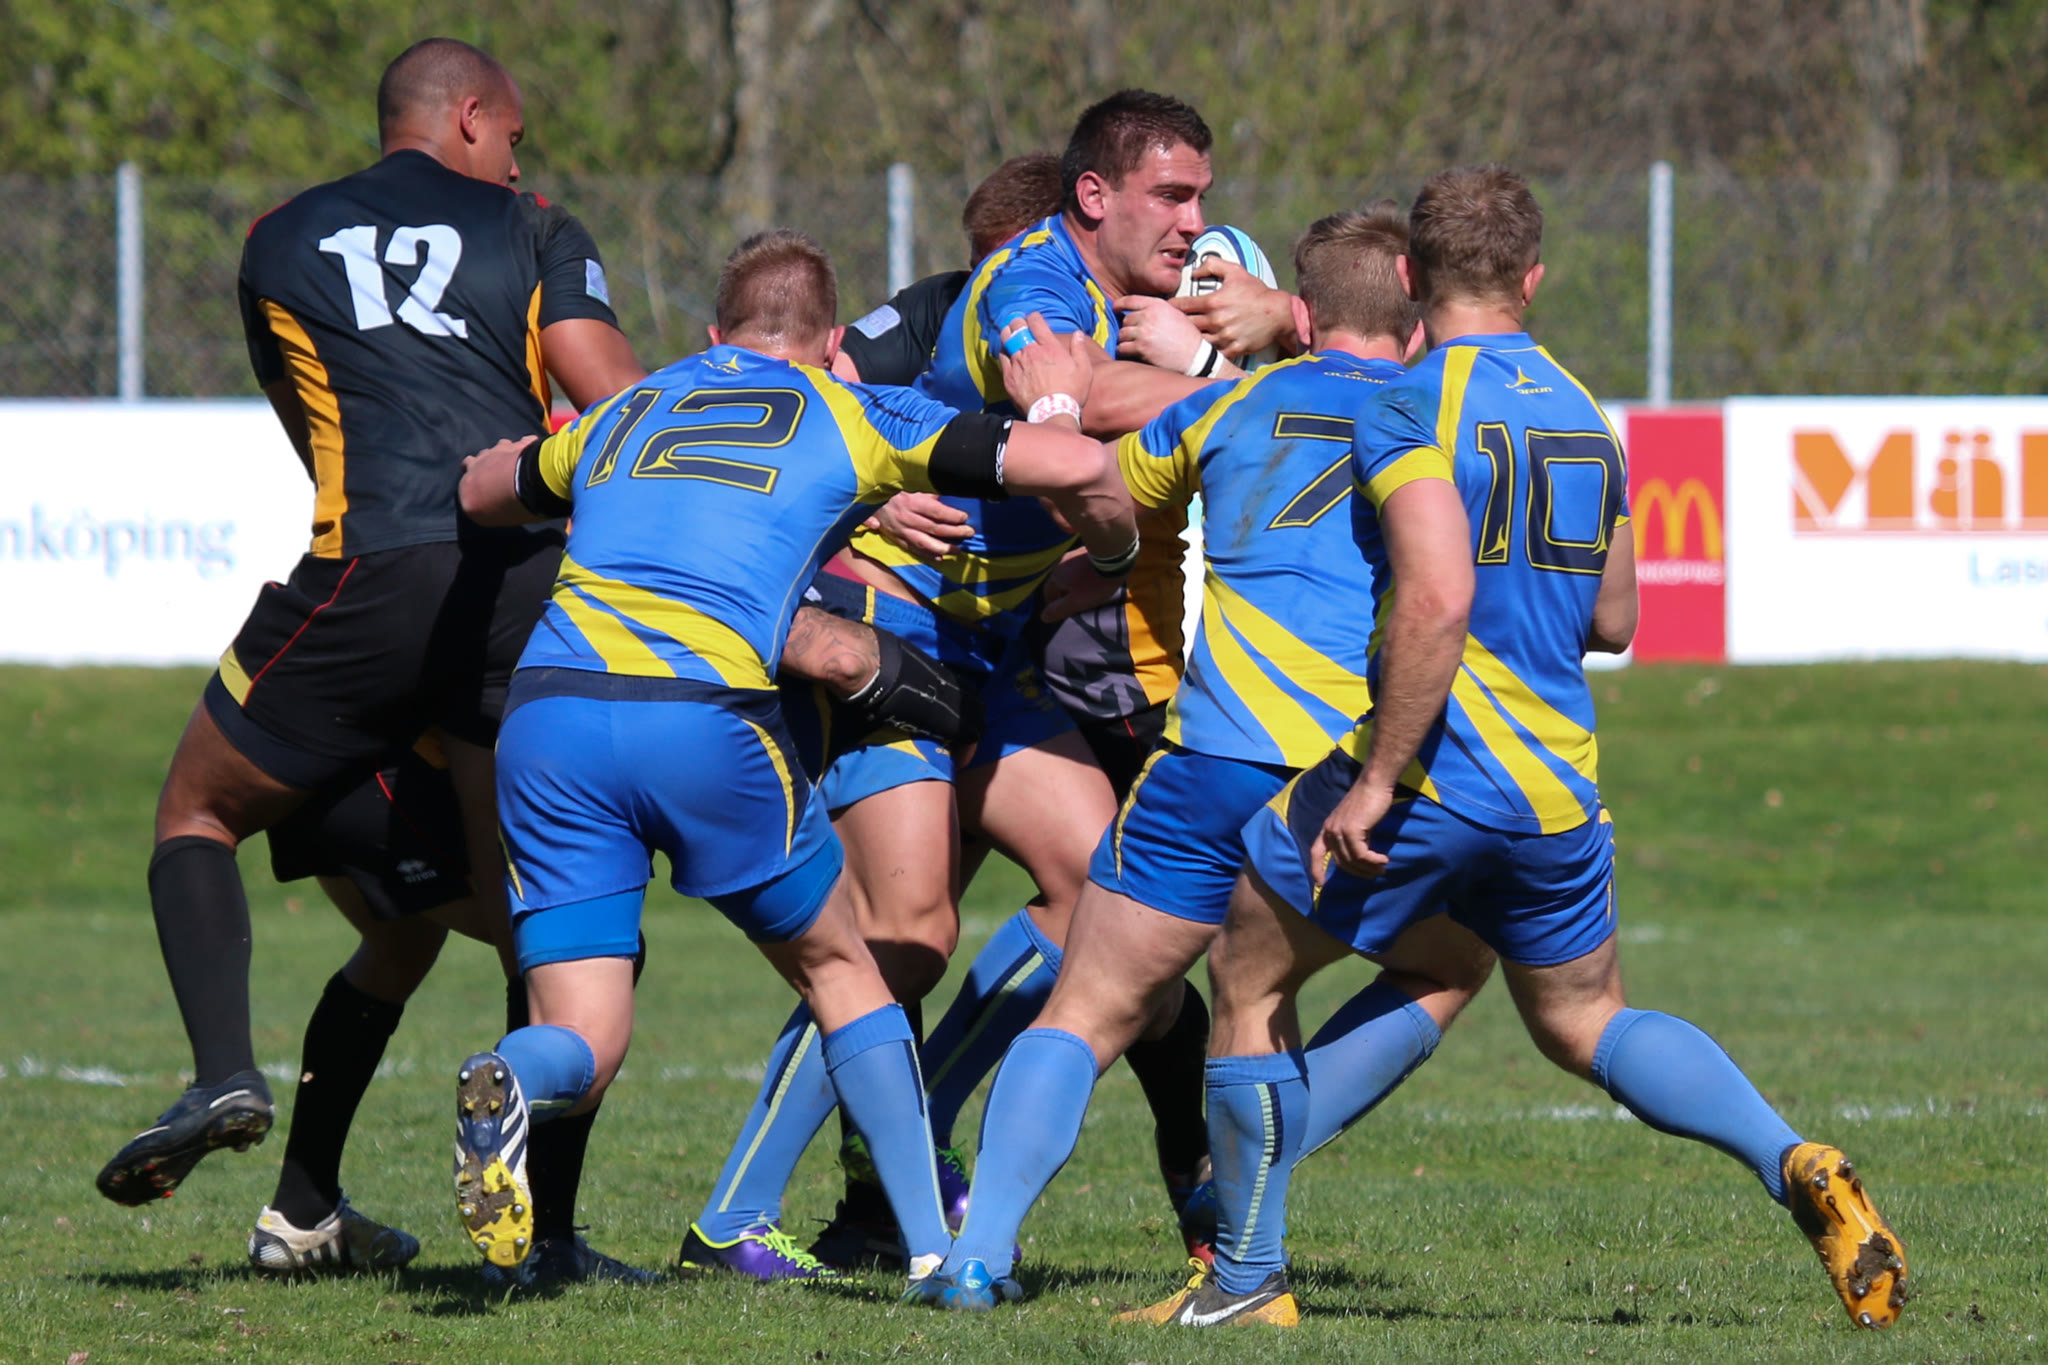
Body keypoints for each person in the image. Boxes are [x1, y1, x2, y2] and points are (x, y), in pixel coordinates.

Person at [1132, 164, 1909, 1330]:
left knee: (1247, 968)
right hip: (1554, 786)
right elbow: (1616, 619)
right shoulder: (1583, 411)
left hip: (1433, 768)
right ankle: (1789, 1156)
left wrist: (1377, 779)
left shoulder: (1407, 403)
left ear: (1409, 276)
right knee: (1584, 1019)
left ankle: (1244, 1282)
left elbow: (1435, 596)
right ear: (1532, 280)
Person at [445, 230, 1140, 1290]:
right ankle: (930, 1248)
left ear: (712, 333)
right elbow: (1076, 463)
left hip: (549, 718)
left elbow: (486, 491)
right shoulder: (850, 409)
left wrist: (500, 468)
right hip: (700, 714)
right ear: (827, 342)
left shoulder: (627, 408)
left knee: (582, 1035)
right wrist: (1095, 508)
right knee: (844, 968)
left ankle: (507, 1074)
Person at [94, 38, 645, 1264]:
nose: (519, 163)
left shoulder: (278, 237)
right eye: (513, 137)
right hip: (517, 586)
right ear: (469, 116)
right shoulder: (535, 230)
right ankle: (535, 1239)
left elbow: (316, 426)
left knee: (197, 813)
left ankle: (224, 1078)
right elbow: (617, 404)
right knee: (539, 922)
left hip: (373, 579)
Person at [908, 206, 1499, 1311]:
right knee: (1450, 961)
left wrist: (1103, 557)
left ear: (1303, 314)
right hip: (1332, 777)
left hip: (1203, 759)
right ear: (1416, 323)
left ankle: (977, 1255)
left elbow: (1097, 489)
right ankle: (1243, 1195)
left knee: (1085, 1010)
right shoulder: (1432, 416)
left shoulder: (1224, 405)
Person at [690, 91, 1231, 1281]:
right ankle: (730, 1218)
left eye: (1200, 197)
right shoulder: (1031, 286)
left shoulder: (1130, 302)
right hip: (889, 626)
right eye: (1171, 196)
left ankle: (910, 1120)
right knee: (907, 932)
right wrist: (1240, 385)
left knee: (1104, 895)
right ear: (1093, 195)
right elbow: (1078, 410)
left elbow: (1102, 465)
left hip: (993, 645)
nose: (1193, 221)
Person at [833, 154, 1064, 389]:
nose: (983, 291)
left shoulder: (1082, 330)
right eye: (978, 272)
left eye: (1002, 277)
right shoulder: (941, 300)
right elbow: (831, 378)